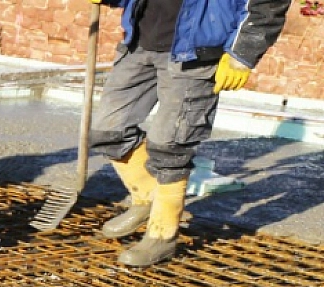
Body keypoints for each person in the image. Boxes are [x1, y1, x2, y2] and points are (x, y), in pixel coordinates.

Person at [88, 0, 291, 267]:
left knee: (170, 145)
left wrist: (242, 54)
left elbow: (268, 4)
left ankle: (162, 234)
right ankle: (148, 198)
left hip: (196, 54)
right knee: (108, 130)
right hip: (141, 43)